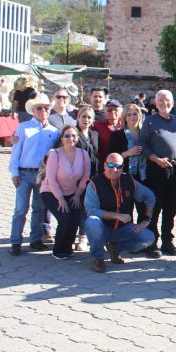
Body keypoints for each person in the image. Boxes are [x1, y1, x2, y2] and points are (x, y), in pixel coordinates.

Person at [84, 153, 157, 273]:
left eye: (118, 166)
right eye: (111, 165)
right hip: (102, 227)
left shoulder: (128, 180)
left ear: (122, 167)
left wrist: (147, 219)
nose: (114, 169)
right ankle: (98, 258)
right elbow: (92, 211)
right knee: (92, 222)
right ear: (104, 166)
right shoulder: (94, 184)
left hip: (123, 229)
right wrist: (117, 216)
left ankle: (115, 248)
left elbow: (150, 196)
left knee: (148, 237)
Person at [8, 94, 60, 255]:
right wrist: (14, 172)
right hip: (24, 172)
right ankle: (16, 241)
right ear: (33, 110)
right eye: (39, 108)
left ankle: (35, 239)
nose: (43, 111)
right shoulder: (23, 128)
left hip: (42, 174)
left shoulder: (54, 131)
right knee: (21, 208)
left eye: (46, 108)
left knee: (39, 208)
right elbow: (16, 151)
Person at [139, 90, 176, 257]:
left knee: (171, 208)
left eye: (168, 100)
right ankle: (151, 243)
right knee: (155, 207)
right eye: (161, 100)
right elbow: (142, 144)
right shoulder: (150, 122)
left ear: (172, 102)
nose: (164, 103)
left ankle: (167, 241)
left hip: (174, 170)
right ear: (155, 103)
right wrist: (156, 159)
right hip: (156, 170)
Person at [39, 125, 91, 259]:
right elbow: (51, 179)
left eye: (73, 135)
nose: (70, 138)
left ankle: (68, 249)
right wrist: (60, 199)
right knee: (65, 218)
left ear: (77, 138)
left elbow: (86, 176)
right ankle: (58, 250)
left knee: (74, 219)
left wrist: (77, 195)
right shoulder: (55, 154)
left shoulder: (83, 154)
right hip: (51, 192)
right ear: (62, 139)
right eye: (67, 136)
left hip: (73, 192)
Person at [71, 105, 100, 250]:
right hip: (77, 177)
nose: (86, 120)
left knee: (88, 207)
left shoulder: (94, 134)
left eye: (89, 117)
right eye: (83, 116)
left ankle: (85, 235)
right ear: (78, 117)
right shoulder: (72, 133)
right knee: (78, 207)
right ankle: (80, 238)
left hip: (93, 177)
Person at [92, 99, 122, 164]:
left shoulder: (126, 124)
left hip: (122, 163)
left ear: (120, 112)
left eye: (115, 110)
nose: (112, 112)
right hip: (103, 163)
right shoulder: (97, 125)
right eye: (109, 110)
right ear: (105, 112)